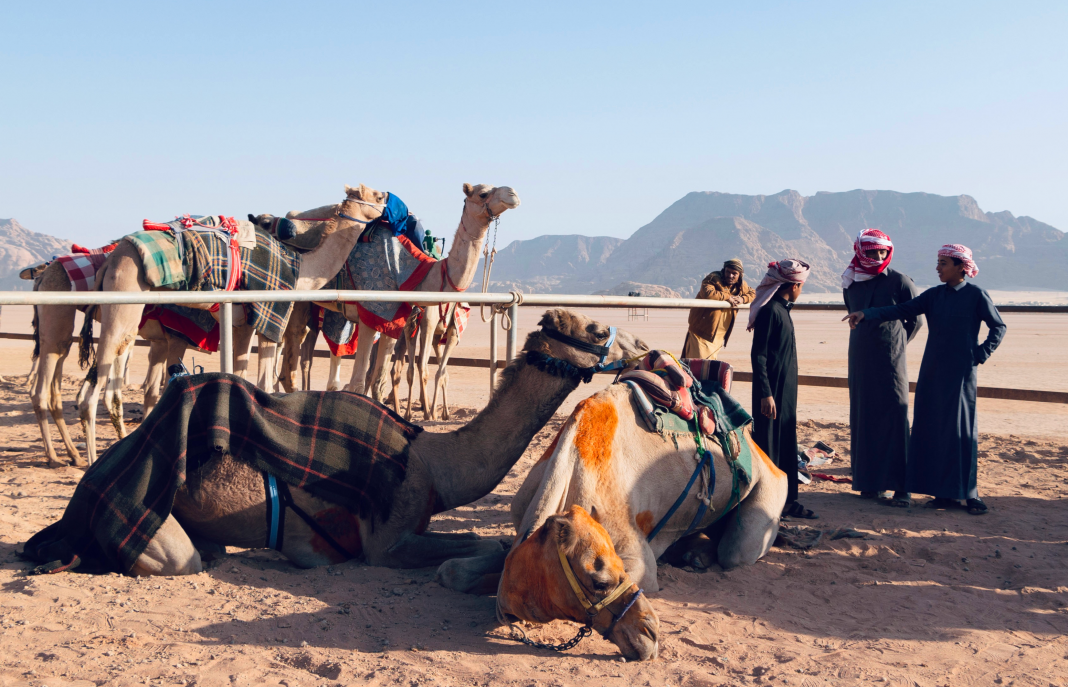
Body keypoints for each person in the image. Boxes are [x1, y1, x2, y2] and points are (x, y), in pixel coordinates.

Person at [844, 244, 1006, 515]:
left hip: (961, 373)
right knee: (932, 429)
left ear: (960, 267)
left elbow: (998, 327)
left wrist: (978, 355)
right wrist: (866, 313)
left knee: (959, 430)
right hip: (931, 371)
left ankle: (969, 494)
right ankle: (943, 495)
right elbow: (898, 310)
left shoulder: (976, 295)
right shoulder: (933, 296)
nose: (938, 268)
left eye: (943, 263)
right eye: (938, 262)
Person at [842, 229, 924, 507]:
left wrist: (896, 345)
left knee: (894, 418)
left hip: (891, 362)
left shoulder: (900, 281)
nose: (878, 256)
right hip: (860, 359)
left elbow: (916, 321)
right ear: (860, 252)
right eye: (872, 252)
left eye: (882, 252)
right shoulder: (851, 282)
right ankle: (870, 484)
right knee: (864, 418)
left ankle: (903, 488)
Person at [748, 259, 816, 519]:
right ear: (795, 286)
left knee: (785, 440)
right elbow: (760, 355)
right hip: (772, 391)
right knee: (770, 443)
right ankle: (772, 501)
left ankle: (788, 500)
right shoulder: (772, 311)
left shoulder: (782, 309)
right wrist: (766, 393)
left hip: (784, 391)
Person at [682, 259, 756, 360]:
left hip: (719, 336)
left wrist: (742, 299)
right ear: (723, 270)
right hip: (702, 332)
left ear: (740, 275)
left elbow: (753, 294)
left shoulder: (741, 285)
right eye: (728, 272)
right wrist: (727, 297)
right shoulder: (713, 279)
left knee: (709, 366)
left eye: (734, 273)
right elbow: (708, 293)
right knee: (697, 364)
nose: (730, 276)